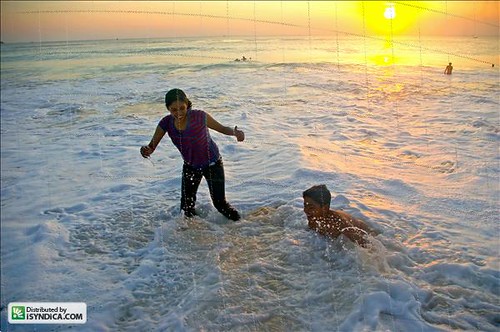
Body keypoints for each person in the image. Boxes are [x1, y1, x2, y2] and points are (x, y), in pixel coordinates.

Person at [141, 88, 245, 221]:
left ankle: (241, 226)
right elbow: (151, 146)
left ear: (187, 105)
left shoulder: (199, 116)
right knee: (186, 208)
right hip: (190, 166)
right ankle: (196, 234)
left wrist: (235, 133)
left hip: (213, 164)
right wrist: (145, 150)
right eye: (174, 110)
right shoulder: (166, 123)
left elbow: (222, 128)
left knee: (220, 204)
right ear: (168, 108)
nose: (178, 113)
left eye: (182, 108)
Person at [303, 185, 377, 247]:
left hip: (367, 232)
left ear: (324, 208)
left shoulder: (340, 224)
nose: (306, 210)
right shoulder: (313, 219)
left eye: (311, 207)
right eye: (305, 206)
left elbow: (367, 246)